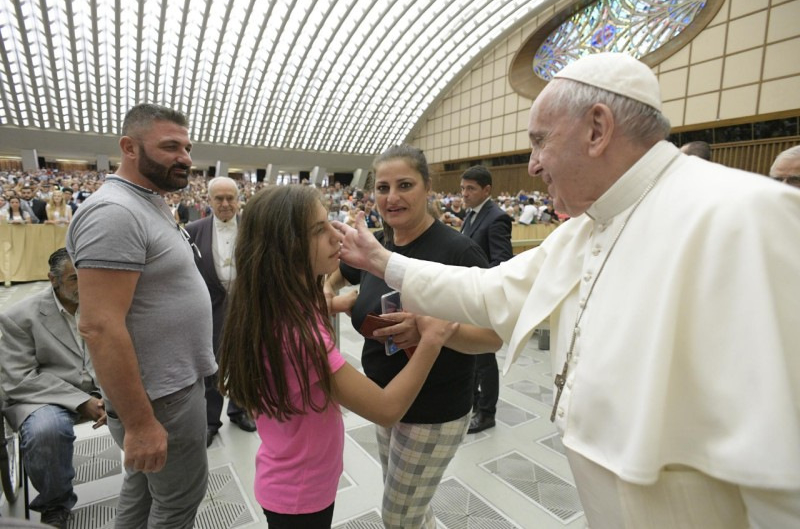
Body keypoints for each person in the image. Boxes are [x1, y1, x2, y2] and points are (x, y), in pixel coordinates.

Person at [334, 53, 800, 528]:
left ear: (597, 129)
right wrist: (384, 262)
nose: (533, 165)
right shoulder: (585, 227)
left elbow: (783, 461)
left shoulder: (745, 215)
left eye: (540, 141)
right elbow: (491, 290)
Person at [217, 184, 458, 529]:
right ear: (287, 246)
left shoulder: (274, 303)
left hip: (286, 475)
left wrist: (338, 301)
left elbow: (313, 302)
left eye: (330, 223)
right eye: (319, 230)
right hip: (301, 495)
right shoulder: (301, 337)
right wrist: (432, 339)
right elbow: (386, 409)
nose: (336, 237)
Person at [325, 144, 502, 529]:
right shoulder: (382, 245)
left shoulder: (457, 251)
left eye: (405, 185)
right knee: (412, 505)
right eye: (383, 188)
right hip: (386, 401)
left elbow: (494, 335)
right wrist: (331, 291)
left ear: (427, 188)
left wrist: (432, 329)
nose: (392, 198)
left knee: (398, 515)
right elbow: (358, 282)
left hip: (434, 410)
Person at [66, 103, 216, 528]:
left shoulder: (147, 202)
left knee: (145, 492)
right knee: (178, 503)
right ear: (129, 148)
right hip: (157, 398)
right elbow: (99, 326)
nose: (185, 157)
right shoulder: (114, 213)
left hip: (166, 390)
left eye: (186, 147)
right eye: (170, 146)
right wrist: (140, 423)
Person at [0, 248, 104, 528]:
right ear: (52, 279)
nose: (83, 286)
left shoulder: (105, 303)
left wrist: (111, 396)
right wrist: (82, 402)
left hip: (101, 386)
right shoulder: (19, 317)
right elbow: (20, 378)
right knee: (47, 430)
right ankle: (55, 504)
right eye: (74, 279)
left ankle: (153, 484)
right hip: (45, 396)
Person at [185, 177, 256, 447]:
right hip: (209, 307)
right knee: (210, 363)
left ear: (238, 200)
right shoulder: (193, 230)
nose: (225, 204)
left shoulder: (252, 227)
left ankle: (239, 409)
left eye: (230, 198)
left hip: (246, 305)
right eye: (219, 198)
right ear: (209, 200)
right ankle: (210, 420)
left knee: (244, 359)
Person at [458, 165, 513, 434]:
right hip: (468, 296)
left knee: (485, 359)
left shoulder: (496, 218)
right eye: (463, 188)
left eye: (470, 189)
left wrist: (477, 280)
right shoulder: (471, 215)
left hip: (483, 296)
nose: (464, 194)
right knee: (471, 355)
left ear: (486, 190)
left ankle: (487, 413)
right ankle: (475, 404)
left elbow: (502, 262)